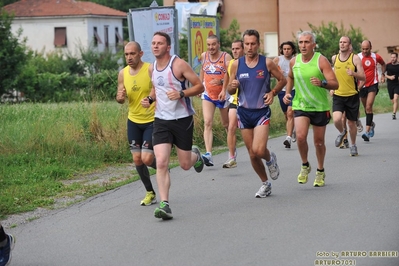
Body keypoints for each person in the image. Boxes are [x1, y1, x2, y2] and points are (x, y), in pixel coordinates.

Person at [141, 32, 205, 220]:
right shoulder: (151, 68)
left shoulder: (179, 65)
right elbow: (155, 88)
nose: (155, 46)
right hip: (161, 120)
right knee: (161, 162)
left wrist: (182, 94)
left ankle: (196, 155)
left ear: (168, 47)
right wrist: (150, 99)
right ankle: (165, 204)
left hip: (182, 119)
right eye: (153, 43)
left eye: (159, 43)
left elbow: (199, 86)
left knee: (185, 164)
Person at [227, 29, 286, 198]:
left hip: (261, 112)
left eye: (253, 44)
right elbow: (230, 90)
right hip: (243, 112)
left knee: (259, 150)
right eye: (247, 44)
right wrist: (233, 85)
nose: (250, 47)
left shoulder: (266, 63)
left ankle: (270, 159)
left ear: (258, 44)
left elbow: (283, 80)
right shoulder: (236, 64)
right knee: (252, 154)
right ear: (243, 45)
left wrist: (273, 93)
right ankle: (265, 183)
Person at [283, 31, 338, 187]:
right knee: (300, 137)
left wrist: (322, 83)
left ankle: (320, 170)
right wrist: (287, 93)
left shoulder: (321, 61)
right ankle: (305, 164)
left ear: (313, 44)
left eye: (307, 42)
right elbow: (291, 77)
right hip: (300, 105)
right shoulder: (294, 61)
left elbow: (335, 83)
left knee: (319, 142)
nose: (303, 45)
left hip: (320, 106)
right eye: (300, 42)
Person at [116, 41, 158, 206]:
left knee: (147, 159)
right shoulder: (123, 73)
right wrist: (119, 98)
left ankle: (161, 166)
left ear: (140, 54)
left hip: (151, 120)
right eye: (126, 54)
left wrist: (150, 98)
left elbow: (157, 88)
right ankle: (150, 192)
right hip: (133, 120)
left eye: (132, 54)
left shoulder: (150, 69)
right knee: (137, 159)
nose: (129, 57)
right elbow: (120, 97)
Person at [200, 35, 232, 166]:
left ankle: (232, 152)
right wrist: (200, 86)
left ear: (218, 44)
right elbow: (202, 71)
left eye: (213, 44)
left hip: (222, 94)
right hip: (208, 94)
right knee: (207, 122)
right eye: (208, 45)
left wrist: (223, 86)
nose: (211, 47)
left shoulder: (226, 57)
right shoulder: (204, 56)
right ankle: (208, 154)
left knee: (226, 124)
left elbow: (231, 74)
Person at [331, 36, 365, 156]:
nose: (342, 44)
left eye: (344, 42)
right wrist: (331, 87)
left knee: (351, 123)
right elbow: (332, 75)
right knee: (336, 119)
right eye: (340, 42)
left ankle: (353, 145)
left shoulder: (355, 58)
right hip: (338, 95)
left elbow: (363, 77)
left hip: (352, 95)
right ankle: (342, 131)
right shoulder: (334, 58)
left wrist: (354, 73)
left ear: (349, 45)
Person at [222, 39, 244, 168]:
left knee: (248, 130)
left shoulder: (249, 63)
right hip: (234, 100)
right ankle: (231, 157)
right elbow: (227, 78)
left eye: (238, 48)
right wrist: (224, 91)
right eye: (233, 49)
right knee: (231, 127)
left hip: (249, 102)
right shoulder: (230, 64)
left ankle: (257, 151)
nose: (235, 51)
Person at [358, 40, 386, 141]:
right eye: (363, 49)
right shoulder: (357, 57)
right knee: (366, 109)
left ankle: (367, 132)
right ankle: (371, 124)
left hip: (373, 84)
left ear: (371, 47)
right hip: (362, 85)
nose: (365, 51)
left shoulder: (376, 56)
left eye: (367, 49)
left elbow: (383, 64)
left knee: (369, 107)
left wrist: (382, 74)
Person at [273, 41, 297, 148]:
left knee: (290, 112)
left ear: (292, 50)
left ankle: (288, 138)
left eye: (288, 49)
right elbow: (270, 71)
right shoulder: (277, 60)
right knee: (286, 115)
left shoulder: (296, 60)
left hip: (294, 89)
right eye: (284, 49)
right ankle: (292, 130)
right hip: (282, 90)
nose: (286, 51)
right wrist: (278, 72)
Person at [385, 52, 399, 120]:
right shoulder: (388, 65)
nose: (392, 59)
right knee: (393, 101)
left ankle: (394, 114)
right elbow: (384, 74)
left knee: (396, 98)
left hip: (397, 84)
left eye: (394, 57)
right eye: (391, 57)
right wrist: (389, 77)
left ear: (397, 58)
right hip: (390, 84)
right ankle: (395, 108)